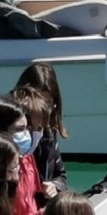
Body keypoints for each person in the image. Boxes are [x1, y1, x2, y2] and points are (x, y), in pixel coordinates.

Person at [14, 62, 69, 200]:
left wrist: (54, 186)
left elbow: (60, 176)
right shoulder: (7, 134)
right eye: (39, 104)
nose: (43, 111)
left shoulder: (49, 134)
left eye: (49, 105)